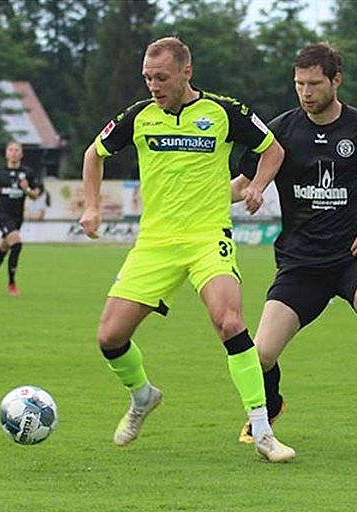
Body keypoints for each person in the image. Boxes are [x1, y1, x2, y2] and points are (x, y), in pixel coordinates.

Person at [78, 37, 293, 462]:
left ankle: (263, 430)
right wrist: (91, 206)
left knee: (229, 321)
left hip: (207, 236)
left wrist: (258, 186)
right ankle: (142, 396)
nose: (153, 86)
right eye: (147, 78)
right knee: (109, 337)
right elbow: (93, 154)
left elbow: (273, 150)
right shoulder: (138, 117)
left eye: (161, 77)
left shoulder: (224, 112)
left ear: (186, 72)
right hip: (155, 243)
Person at [232, 43, 357, 460]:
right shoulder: (281, 133)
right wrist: (241, 193)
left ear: (335, 81)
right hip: (301, 264)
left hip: (355, 259)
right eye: (298, 84)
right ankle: (271, 405)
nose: (305, 93)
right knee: (262, 354)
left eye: (314, 84)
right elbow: (241, 184)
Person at [0, 141, 41, 296]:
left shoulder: (27, 173)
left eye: (17, 150)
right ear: (6, 153)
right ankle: (11, 283)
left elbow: (36, 194)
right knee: (16, 243)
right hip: (2, 215)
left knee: (3, 248)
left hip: (17, 217)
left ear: (21, 154)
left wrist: (26, 189)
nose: (14, 153)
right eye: (11, 150)